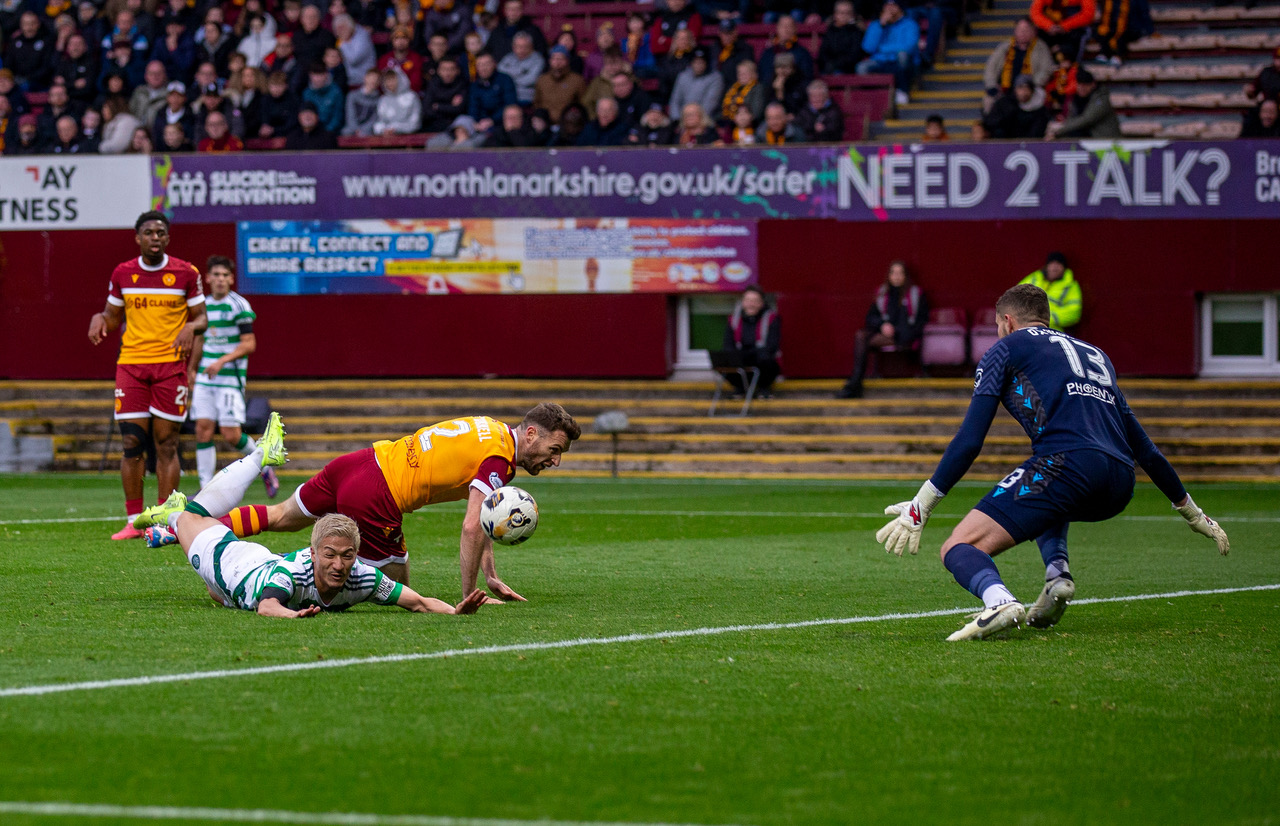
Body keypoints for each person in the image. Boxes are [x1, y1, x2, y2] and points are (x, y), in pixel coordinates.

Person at [874, 284, 1230, 641]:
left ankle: (999, 601)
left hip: (1065, 465)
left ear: (1008, 322)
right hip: (1120, 481)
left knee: (958, 547)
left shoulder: (1006, 348)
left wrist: (921, 506)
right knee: (1051, 501)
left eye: (999, 327)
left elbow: (969, 441)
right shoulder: (1096, 356)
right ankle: (1057, 575)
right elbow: (1145, 448)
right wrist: (1193, 513)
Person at [204, 403, 581, 600]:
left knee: (280, 515)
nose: (555, 460)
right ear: (531, 434)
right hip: (378, 495)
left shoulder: (493, 430)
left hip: (359, 462)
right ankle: (273, 573)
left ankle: (192, 529)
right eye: (554, 449)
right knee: (395, 588)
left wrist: (491, 575)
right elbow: (472, 524)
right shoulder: (499, 460)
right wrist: (471, 594)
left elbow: (485, 517)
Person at [134, 416, 487, 618]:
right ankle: (181, 513)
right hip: (234, 569)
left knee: (258, 531)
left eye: (347, 555)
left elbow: (418, 601)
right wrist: (294, 614)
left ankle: (176, 519)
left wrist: (456, 612)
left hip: (262, 561)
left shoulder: (361, 577)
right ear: (313, 553)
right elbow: (268, 606)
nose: (339, 565)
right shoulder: (294, 573)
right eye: (330, 555)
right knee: (191, 517)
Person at [88, 211, 207, 540]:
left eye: (161, 233)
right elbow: (113, 316)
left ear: (168, 238)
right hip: (132, 365)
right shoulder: (123, 273)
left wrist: (189, 326)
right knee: (131, 443)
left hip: (170, 367)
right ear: (137, 238)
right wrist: (101, 318)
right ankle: (135, 520)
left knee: (167, 443)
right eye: (149, 232)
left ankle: (165, 520)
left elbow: (202, 318)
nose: (155, 237)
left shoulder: (185, 272)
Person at [189, 255, 279, 498]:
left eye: (225, 275)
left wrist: (221, 361)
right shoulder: (203, 306)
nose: (220, 280)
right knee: (202, 430)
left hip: (229, 379)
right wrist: (191, 370)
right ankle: (205, 488)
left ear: (231, 279)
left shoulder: (239, 305)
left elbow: (249, 344)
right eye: (216, 275)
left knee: (231, 435)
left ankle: (265, 466)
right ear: (207, 278)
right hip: (206, 379)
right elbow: (199, 339)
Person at [837, 260, 927, 399]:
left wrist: (897, 330)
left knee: (862, 339)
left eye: (900, 273)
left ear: (905, 276)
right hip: (885, 334)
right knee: (860, 336)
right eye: (893, 273)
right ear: (889, 275)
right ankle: (855, 382)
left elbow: (920, 320)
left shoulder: (915, 294)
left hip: (904, 335)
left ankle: (854, 384)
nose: (896, 276)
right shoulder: (882, 293)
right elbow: (871, 317)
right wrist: (883, 325)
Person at [982, 18, 1053, 114]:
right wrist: (992, 85)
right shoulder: (1005, 47)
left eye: (1026, 30)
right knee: (989, 100)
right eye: (1020, 30)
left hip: (1030, 89)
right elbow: (991, 67)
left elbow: (1047, 69)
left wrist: (1032, 86)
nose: (1023, 33)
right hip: (1006, 88)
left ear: (1033, 31)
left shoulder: (1041, 47)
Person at [721, 286, 782, 397]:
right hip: (741, 360)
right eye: (748, 300)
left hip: (762, 361)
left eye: (755, 301)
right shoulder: (733, 319)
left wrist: (751, 354)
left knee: (765, 358)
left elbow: (772, 346)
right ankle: (740, 388)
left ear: (761, 303)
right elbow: (728, 344)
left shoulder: (771, 318)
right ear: (743, 302)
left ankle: (763, 388)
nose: (751, 304)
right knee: (723, 361)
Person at [857, 0, 920, 105]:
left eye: (893, 5)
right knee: (861, 67)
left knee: (902, 55)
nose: (889, 8)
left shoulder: (910, 24)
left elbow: (908, 47)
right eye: (887, 5)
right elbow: (868, 48)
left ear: (900, 7)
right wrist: (881, 26)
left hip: (901, 61)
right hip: (880, 61)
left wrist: (882, 48)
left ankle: (902, 90)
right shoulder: (876, 25)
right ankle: (876, 96)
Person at [1045, 68, 1119, 139]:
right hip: (1087, 139)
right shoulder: (1075, 99)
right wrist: (1057, 133)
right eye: (1079, 84)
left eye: (1085, 85)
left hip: (1105, 141)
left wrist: (1059, 130)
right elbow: (1071, 119)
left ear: (1093, 85)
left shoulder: (1101, 99)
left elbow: (1087, 119)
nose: (1082, 88)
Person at [1019, 251, 1081, 330]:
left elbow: (1074, 313)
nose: (1055, 267)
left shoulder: (1070, 286)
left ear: (1064, 268)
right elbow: (1014, 298)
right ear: (1047, 266)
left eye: (1059, 264)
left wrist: (1045, 318)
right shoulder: (1035, 278)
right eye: (1052, 263)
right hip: (1025, 327)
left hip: (1051, 332)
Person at [982, 75, 1049, 139]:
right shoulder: (1005, 104)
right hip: (1006, 144)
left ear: (1032, 90)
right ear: (1015, 89)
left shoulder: (1040, 109)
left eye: (1026, 88)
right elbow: (991, 122)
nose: (1023, 92)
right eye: (1020, 88)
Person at [668, 46, 724, 122]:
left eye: (701, 62)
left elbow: (710, 104)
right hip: (682, 120)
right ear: (691, 63)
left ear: (707, 63)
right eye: (695, 62)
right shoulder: (683, 76)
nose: (698, 65)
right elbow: (675, 101)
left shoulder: (715, 77)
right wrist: (677, 119)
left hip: (705, 121)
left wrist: (693, 119)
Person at [533, 45, 585, 125]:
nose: (557, 62)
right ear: (550, 61)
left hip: (568, 125)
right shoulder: (542, 80)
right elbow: (537, 103)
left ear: (567, 61)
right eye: (554, 59)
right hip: (546, 125)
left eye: (561, 59)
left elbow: (582, 105)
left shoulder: (577, 80)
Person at [1029, 0, 1096, 61]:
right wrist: (1049, 26)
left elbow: (1088, 14)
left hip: (1073, 30)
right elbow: (1035, 13)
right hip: (1050, 29)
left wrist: (1065, 26)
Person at [497, 31, 544, 106]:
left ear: (531, 47)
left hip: (526, 98)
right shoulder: (508, 58)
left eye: (525, 46)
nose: (521, 50)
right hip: (505, 97)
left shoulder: (538, 60)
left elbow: (531, 80)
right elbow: (499, 74)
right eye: (518, 46)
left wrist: (509, 79)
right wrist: (521, 73)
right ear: (513, 47)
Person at [819, 1, 865, 76]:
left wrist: (835, 64)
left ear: (852, 15)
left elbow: (854, 55)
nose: (844, 16)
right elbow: (823, 53)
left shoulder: (856, 32)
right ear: (835, 14)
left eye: (847, 13)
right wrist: (829, 64)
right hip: (829, 68)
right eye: (841, 13)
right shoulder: (830, 31)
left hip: (847, 69)